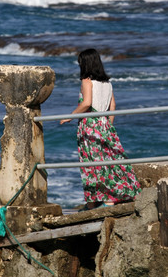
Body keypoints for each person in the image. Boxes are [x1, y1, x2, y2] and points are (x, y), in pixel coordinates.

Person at [60, 48, 141, 210]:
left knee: (91, 164)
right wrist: (108, 125)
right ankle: (98, 201)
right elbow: (113, 106)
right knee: (110, 161)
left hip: (90, 125)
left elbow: (86, 103)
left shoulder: (86, 81)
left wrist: (70, 116)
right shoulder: (107, 83)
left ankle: (104, 201)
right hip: (104, 124)